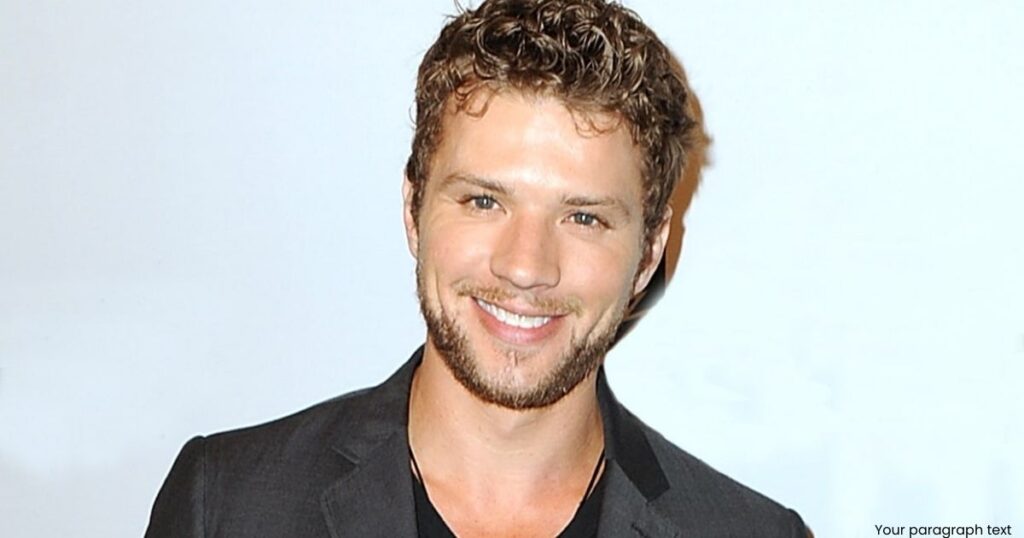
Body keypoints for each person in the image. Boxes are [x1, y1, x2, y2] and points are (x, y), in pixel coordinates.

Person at [145, 0, 809, 536]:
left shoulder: (748, 532)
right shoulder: (227, 506)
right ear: (414, 210)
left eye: (583, 217)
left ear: (649, 253)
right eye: (484, 201)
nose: (525, 267)